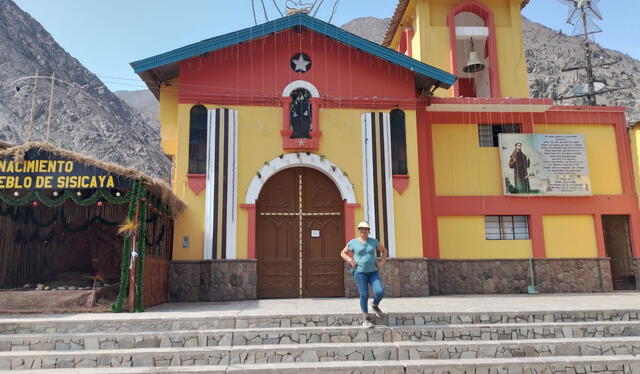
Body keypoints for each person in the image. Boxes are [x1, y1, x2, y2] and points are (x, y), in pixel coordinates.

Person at [340, 221, 388, 328]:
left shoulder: (374, 242)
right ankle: (366, 318)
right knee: (364, 295)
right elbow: (343, 253)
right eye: (361, 229)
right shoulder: (353, 242)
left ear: (369, 231)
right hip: (360, 273)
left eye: (366, 229)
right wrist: (350, 260)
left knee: (380, 291)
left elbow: (384, 251)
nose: (364, 231)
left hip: (373, 272)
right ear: (359, 230)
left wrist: (381, 262)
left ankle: (375, 305)